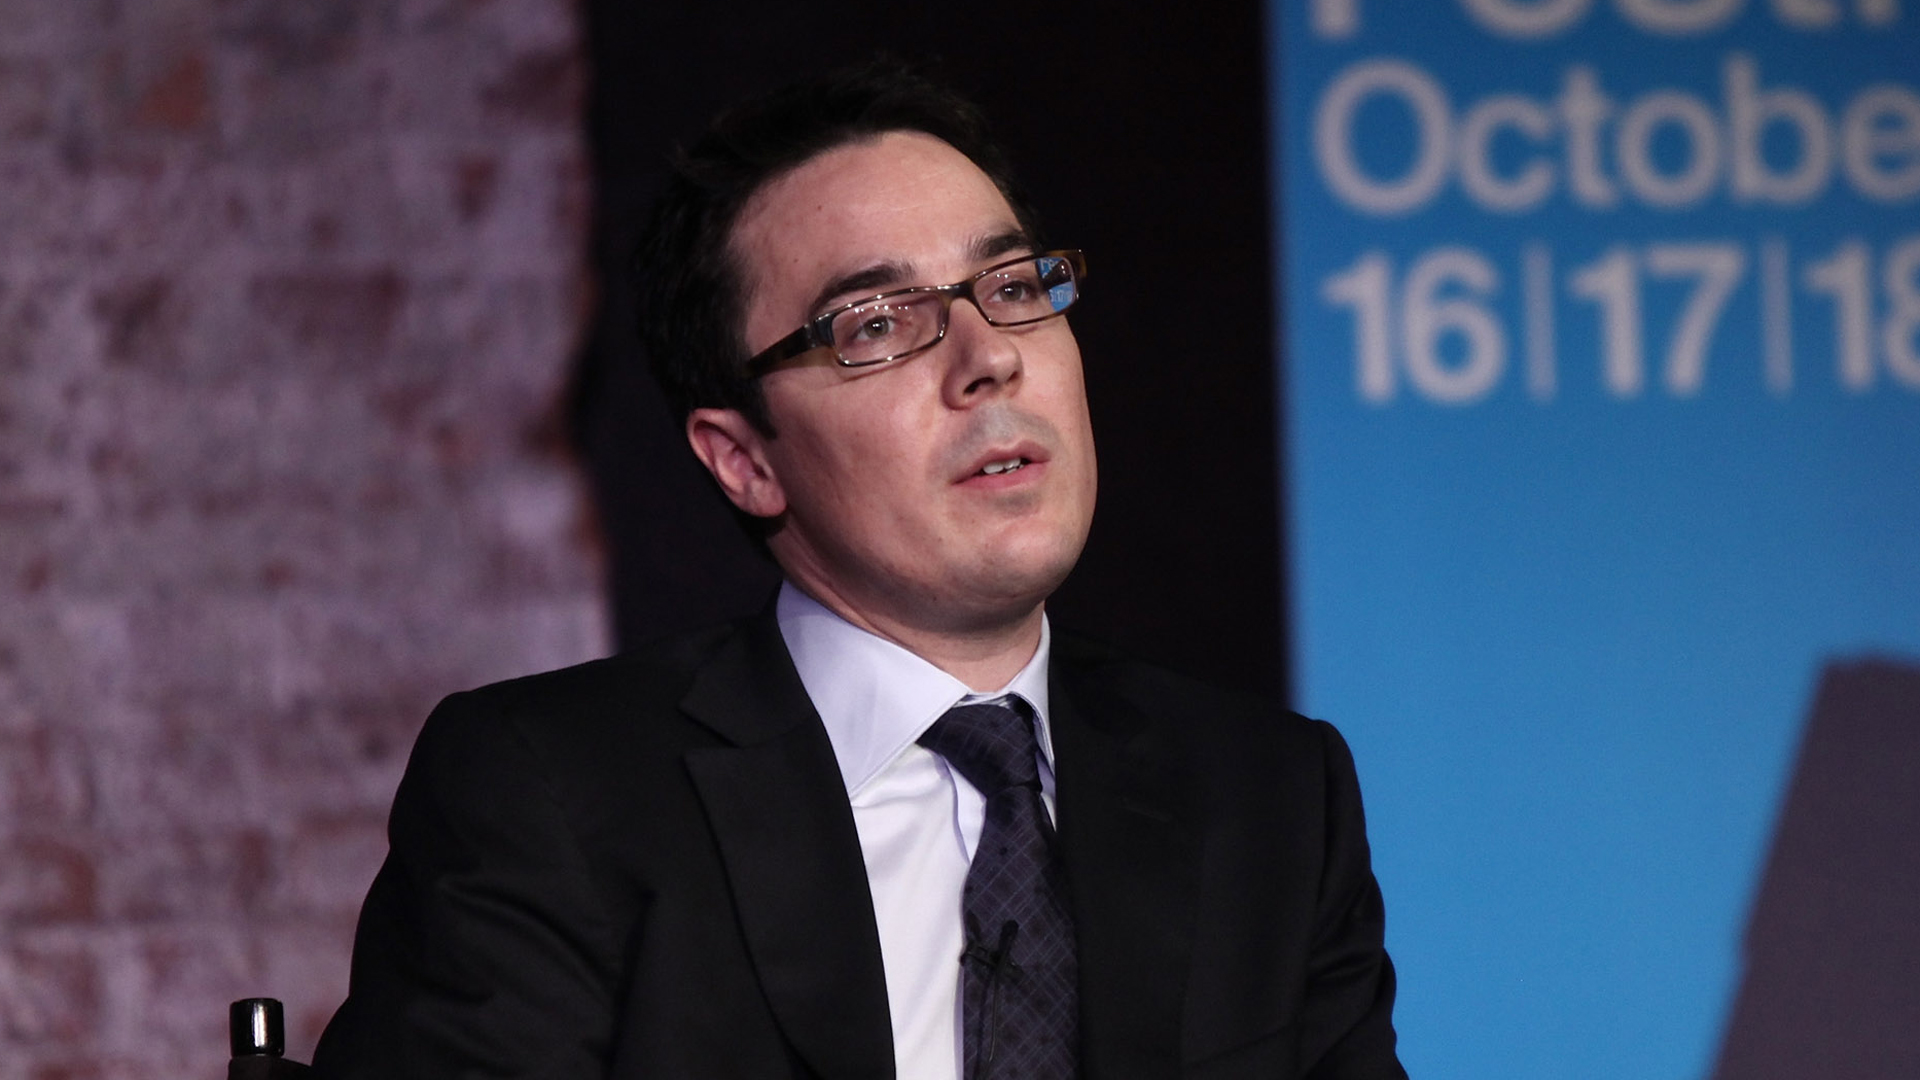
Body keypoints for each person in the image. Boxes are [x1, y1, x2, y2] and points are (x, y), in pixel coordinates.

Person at [313, 61, 1406, 1080]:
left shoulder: (1267, 800)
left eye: (1014, 285)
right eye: (878, 324)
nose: (991, 359)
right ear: (742, 461)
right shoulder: (551, 795)